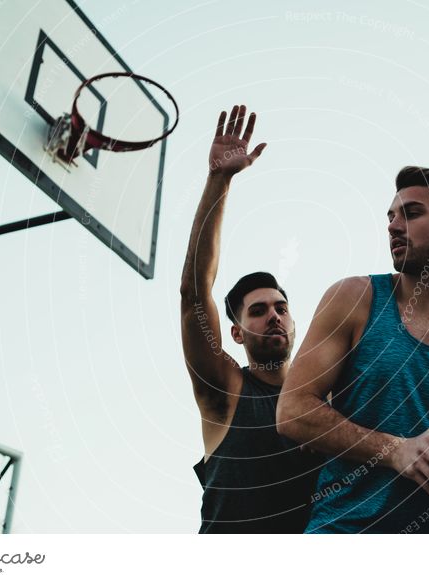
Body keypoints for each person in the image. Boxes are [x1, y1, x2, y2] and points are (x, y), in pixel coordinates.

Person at [276, 166, 429, 533]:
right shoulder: (355, 299)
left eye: (411, 214)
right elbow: (292, 411)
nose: (393, 226)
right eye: (391, 216)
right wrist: (396, 450)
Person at [180, 105, 319, 533]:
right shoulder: (227, 391)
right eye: (257, 311)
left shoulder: (326, 401)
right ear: (236, 333)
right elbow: (194, 292)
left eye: (281, 308)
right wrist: (219, 180)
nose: (274, 316)